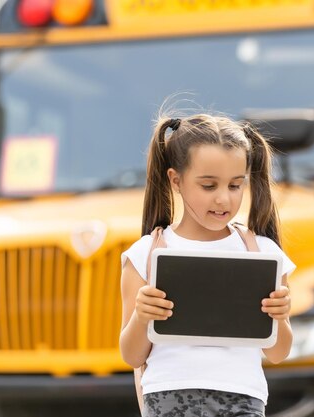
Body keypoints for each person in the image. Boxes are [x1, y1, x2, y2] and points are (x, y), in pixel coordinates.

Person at [119, 113, 296, 416]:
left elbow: (278, 353)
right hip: (167, 396)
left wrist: (279, 316)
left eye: (235, 185)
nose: (224, 200)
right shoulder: (145, 254)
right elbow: (132, 355)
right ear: (176, 180)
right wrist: (141, 315)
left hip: (242, 398)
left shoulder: (264, 254)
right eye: (209, 185)